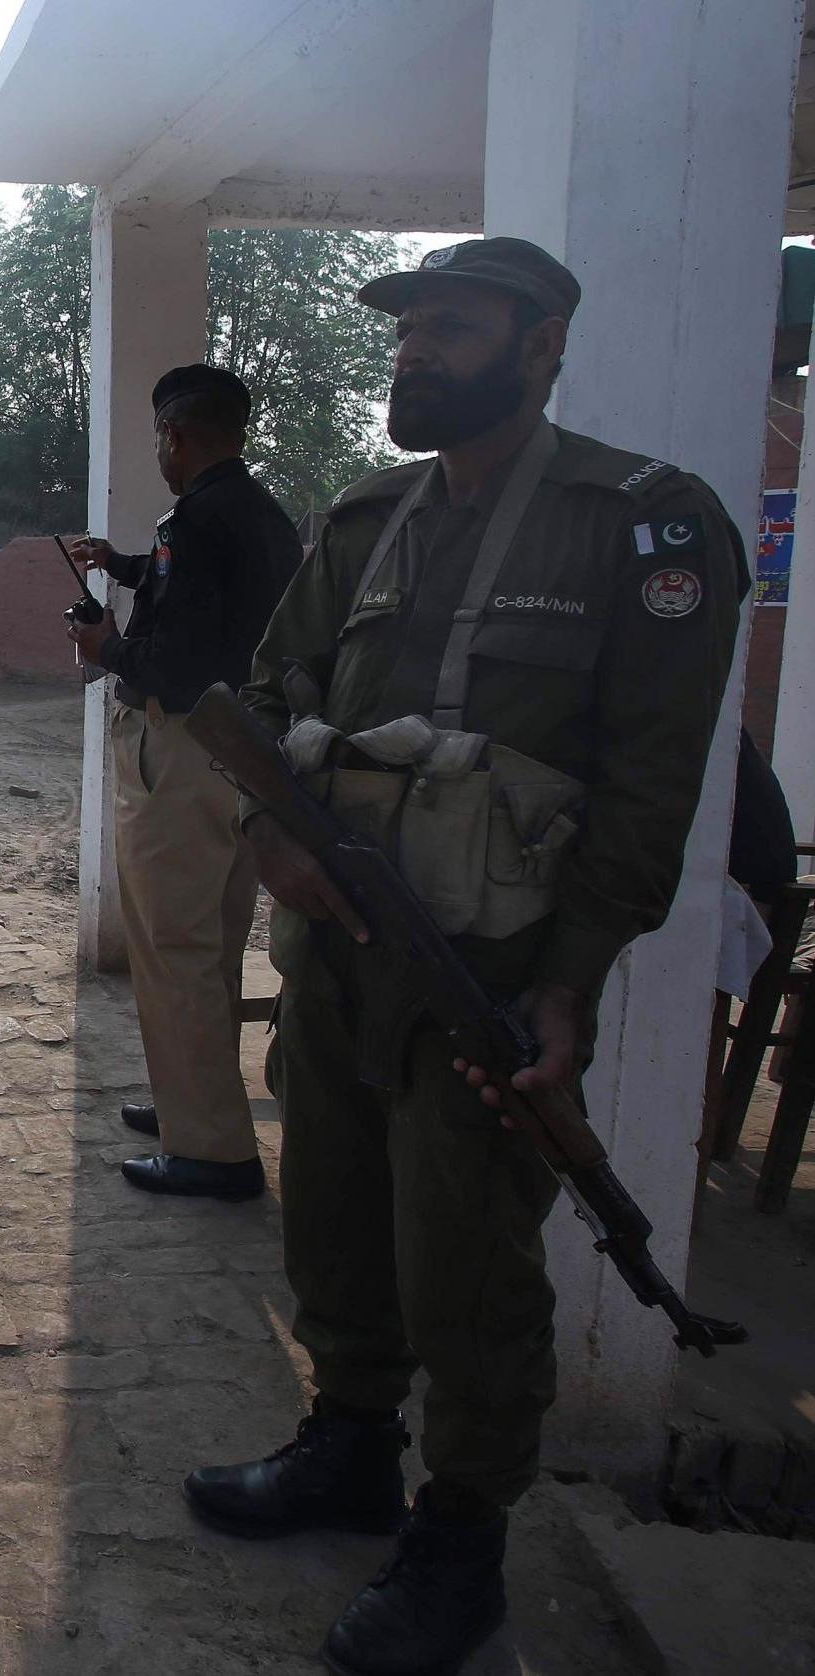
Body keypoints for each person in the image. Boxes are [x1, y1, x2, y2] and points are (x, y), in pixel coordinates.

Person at [189, 237, 744, 1676]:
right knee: (331, 1214)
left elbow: (648, 788)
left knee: (467, 1264)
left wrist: (568, 983)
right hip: (338, 944)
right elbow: (262, 696)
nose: (413, 352)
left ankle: (462, 1537)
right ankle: (348, 1447)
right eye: (403, 331)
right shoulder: (365, 519)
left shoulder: (644, 526)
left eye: (449, 327)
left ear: (542, 339)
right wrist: (272, 840)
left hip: (486, 966)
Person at [65, 364, 304, 1202]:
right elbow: (210, 604)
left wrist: (106, 650)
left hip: (180, 749)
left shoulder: (198, 519)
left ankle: (210, 1148)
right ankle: (196, 1107)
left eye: (160, 439)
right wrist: (126, 569)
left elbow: (178, 653)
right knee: (213, 943)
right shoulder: (259, 514)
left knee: (174, 951)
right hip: (237, 751)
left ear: (176, 436)